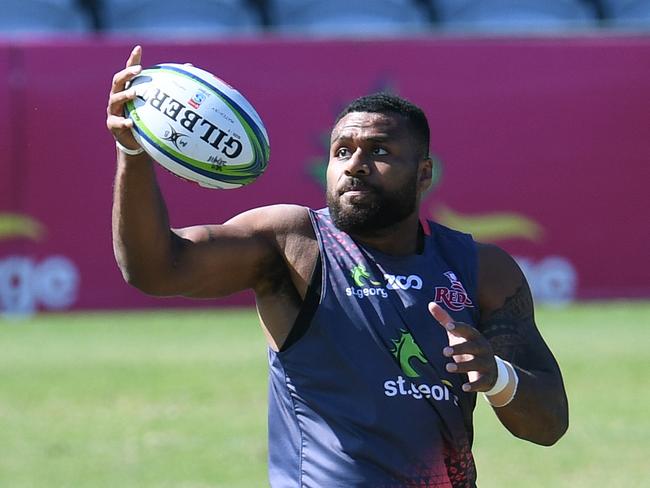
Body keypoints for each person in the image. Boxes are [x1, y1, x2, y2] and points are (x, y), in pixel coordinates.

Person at [107, 45, 568, 488]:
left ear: (424, 173)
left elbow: (549, 424)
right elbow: (156, 269)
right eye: (342, 151)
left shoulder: (482, 269)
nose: (355, 165)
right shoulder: (292, 242)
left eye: (380, 152)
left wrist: (498, 376)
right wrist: (133, 154)